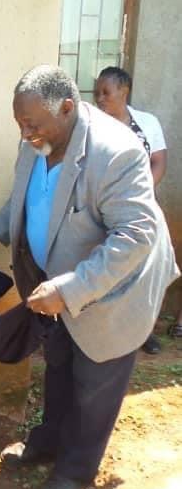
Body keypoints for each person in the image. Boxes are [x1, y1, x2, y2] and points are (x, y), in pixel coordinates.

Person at [0, 65, 178, 489]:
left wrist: (70, 290)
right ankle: (47, 444)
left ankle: (74, 473)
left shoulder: (116, 153)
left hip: (116, 290)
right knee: (59, 368)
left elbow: (134, 237)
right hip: (58, 286)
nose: (24, 134)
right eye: (19, 124)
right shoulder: (37, 141)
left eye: (32, 124)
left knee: (95, 383)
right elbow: (23, 197)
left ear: (68, 109)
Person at [93, 66, 174, 353]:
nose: (100, 98)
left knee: (147, 270)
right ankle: (109, 333)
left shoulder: (147, 122)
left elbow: (159, 162)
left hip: (143, 208)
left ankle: (143, 332)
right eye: (96, 92)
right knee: (111, 270)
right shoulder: (91, 125)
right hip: (102, 210)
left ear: (124, 92)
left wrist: (139, 194)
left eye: (106, 92)